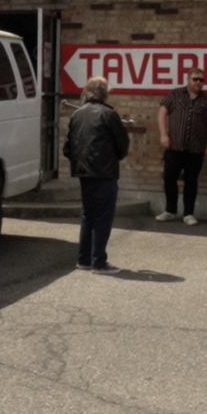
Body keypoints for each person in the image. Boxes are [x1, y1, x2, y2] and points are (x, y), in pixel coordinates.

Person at [64, 77, 129, 275]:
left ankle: (84, 259)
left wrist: (79, 161)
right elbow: (122, 145)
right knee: (103, 217)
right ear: (104, 93)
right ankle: (99, 262)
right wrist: (114, 158)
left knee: (88, 215)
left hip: (84, 172)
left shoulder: (77, 114)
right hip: (104, 172)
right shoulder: (109, 114)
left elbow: (67, 148)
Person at [155, 70, 207, 225]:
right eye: (195, 79)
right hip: (175, 145)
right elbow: (162, 112)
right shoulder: (175, 94)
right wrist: (164, 134)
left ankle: (188, 213)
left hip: (196, 148)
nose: (198, 83)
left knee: (191, 180)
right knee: (170, 177)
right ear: (188, 79)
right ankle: (170, 210)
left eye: (201, 80)